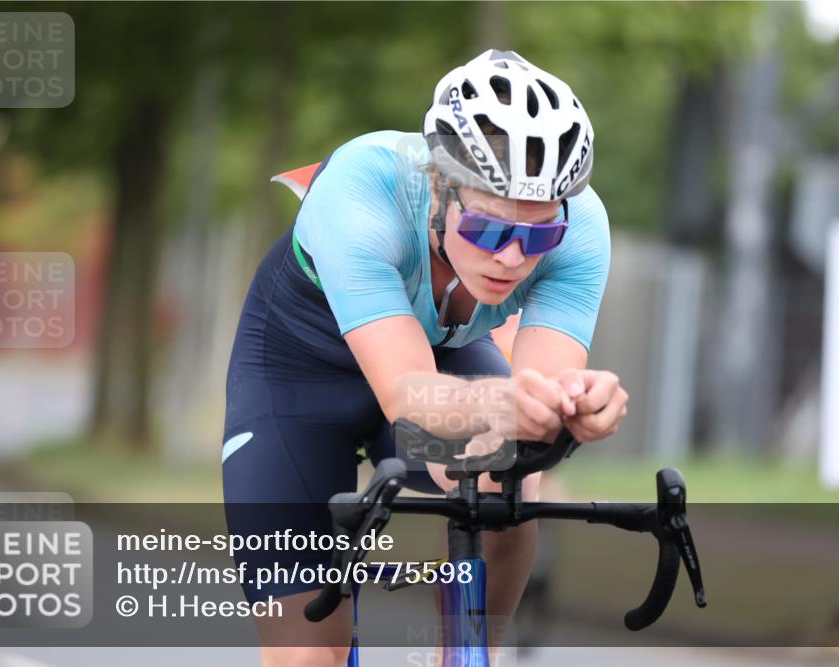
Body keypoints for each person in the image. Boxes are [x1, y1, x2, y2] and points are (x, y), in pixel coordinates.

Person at [222, 49, 628, 667]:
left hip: (446, 362)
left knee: (509, 477)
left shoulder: (583, 228)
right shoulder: (362, 188)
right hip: (297, 376)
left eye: (538, 235)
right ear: (439, 186)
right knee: (308, 656)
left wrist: (576, 407)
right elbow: (409, 396)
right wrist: (510, 403)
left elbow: (535, 399)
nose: (513, 257)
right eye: (489, 229)